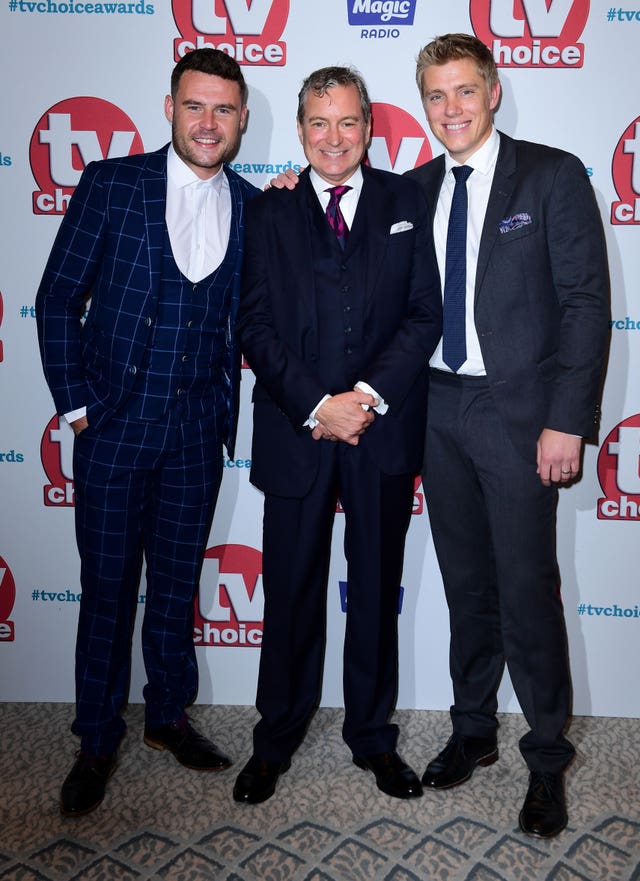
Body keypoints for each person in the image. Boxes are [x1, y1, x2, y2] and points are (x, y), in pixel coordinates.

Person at [35, 48, 259, 817]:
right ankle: (95, 737)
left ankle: (167, 715)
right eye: (195, 106)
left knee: (173, 588)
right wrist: (79, 406)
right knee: (106, 592)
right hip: (115, 427)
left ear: (241, 120)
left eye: (224, 110)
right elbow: (58, 297)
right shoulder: (110, 183)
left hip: (198, 429)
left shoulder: (256, 203)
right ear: (170, 108)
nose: (209, 122)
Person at [405, 34, 609, 837]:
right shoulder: (413, 189)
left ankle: (548, 757)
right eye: (435, 95)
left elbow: (587, 304)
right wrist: (286, 191)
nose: (450, 109)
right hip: (436, 409)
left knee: (527, 589)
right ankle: (473, 730)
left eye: (464, 91)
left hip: (521, 416)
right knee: (467, 585)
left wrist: (568, 419)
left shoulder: (552, 175)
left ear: (493, 91)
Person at [233, 66, 442, 804]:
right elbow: (252, 322)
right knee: (289, 586)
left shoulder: (405, 199)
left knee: (377, 586)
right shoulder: (268, 210)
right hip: (298, 429)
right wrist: (320, 403)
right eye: (318, 123)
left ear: (368, 129)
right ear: (299, 129)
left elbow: (424, 315)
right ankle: (276, 736)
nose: (333, 137)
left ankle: (372, 737)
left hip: (380, 427)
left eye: (348, 122)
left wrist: (366, 397)